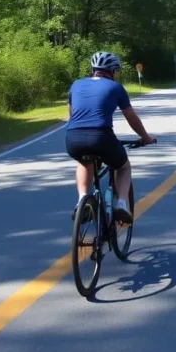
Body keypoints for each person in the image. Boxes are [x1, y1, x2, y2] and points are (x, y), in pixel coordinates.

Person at [65, 51, 155, 224]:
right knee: (123, 167)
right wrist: (145, 137)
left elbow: (72, 113)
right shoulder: (115, 87)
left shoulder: (76, 85)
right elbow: (132, 118)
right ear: (113, 71)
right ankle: (121, 203)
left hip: (73, 137)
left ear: (93, 70)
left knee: (85, 161)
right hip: (101, 136)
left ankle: (82, 199)